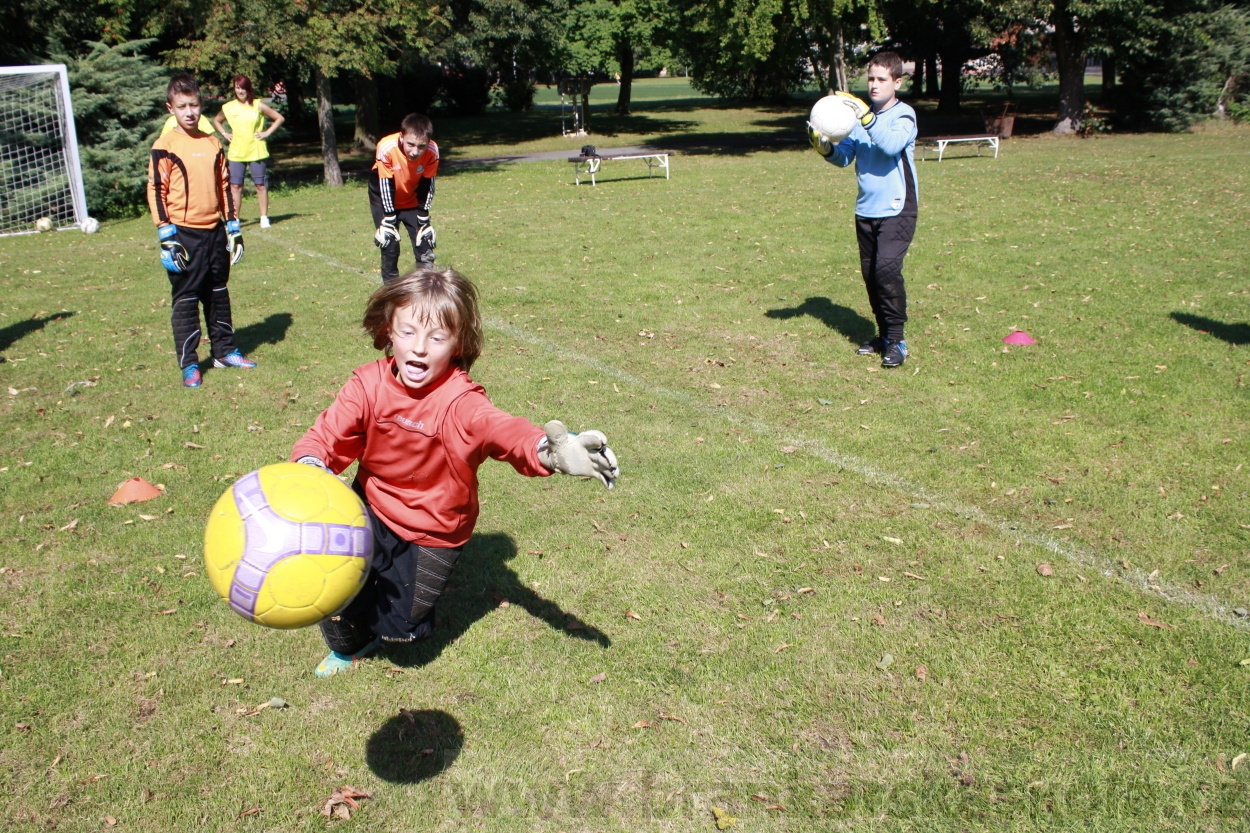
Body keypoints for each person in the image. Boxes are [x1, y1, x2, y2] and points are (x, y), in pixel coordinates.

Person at [290, 267, 619, 677]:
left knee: (401, 633)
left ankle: (386, 617)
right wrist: (311, 468)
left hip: (435, 529)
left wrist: (547, 452)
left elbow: (502, 428)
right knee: (333, 591)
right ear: (389, 329)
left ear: (458, 343)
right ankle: (349, 647)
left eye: (437, 337)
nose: (420, 348)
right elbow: (324, 437)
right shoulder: (367, 385)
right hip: (368, 508)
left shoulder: (461, 400)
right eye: (408, 332)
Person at [809, 51, 918, 368]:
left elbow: (889, 145)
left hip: (898, 207)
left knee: (886, 270)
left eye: (881, 79)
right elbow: (846, 157)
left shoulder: (905, 116)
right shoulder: (857, 121)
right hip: (866, 209)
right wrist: (825, 148)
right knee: (871, 275)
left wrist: (867, 118)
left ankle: (897, 341)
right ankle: (883, 335)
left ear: (896, 82)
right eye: (871, 78)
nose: (874, 84)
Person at [147, 73, 256, 388]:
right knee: (186, 297)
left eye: (194, 105)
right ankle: (190, 364)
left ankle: (224, 351)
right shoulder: (164, 145)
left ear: (201, 105)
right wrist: (166, 235)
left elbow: (224, 187)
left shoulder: (212, 143)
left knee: (218, 292)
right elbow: (157, 190)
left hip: (215, 232)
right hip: (183, 235)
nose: (189, 112)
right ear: (171, 108)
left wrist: (233, 226)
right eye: (182, 106)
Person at [370, 113, 439, 282]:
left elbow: (428, 185)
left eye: (421, 146)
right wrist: (388, 219)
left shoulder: (432, 151)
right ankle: (391, 295)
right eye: (411, 144)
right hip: (384, 199)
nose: (415, 151)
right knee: (390, 245)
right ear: (402, 137)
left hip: (412, 200)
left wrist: (424, 217)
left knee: (424, 245)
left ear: (428, 142)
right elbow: (385, 185)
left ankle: (425, 292)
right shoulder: (386, 146)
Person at [213, 75, 285, 229]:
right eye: (237, 88)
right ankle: (235, 219)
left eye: (243, 88)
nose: (240, 91)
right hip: (237, 152)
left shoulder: (258, 105)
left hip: (256, 150)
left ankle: (264, 218)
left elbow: (278, 118)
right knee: (235, 186)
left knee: (260, 185)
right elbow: (217, 121)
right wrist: (225, 134)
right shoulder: (228, 107)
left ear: (248, 89)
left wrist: (266, 133)